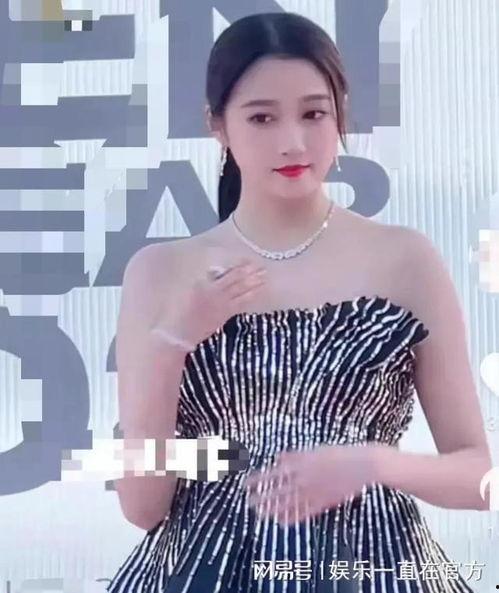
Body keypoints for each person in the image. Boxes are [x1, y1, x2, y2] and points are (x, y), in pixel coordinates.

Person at [106, 12, 491, 593]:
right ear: (217, 125)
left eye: (313, 114)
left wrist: (372, 463)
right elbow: (143, 506)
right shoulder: (160, 272)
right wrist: (172, 342)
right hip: (204, 572)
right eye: (262, 117)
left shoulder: (404, 259)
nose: (293, 141)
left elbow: (478, 473)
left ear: (340, 115)